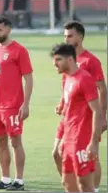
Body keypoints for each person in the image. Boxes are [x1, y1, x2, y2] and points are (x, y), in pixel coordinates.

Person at [0, 16, 33, 191]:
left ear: (8, 30)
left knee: (16, 143)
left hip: (13, 106)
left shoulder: (19, 51)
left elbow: (29, 79)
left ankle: (19, 181)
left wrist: (25, 104)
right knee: (0, 143)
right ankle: (5, 179)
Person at [52, 21, 107, 192]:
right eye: (65, 36)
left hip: (84, 120)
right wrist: (62, 103)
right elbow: (66, 84)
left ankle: (94, 188)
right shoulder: (68, 64)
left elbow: (102, 89)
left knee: (92, 157)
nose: (66, 39)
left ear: (80, 37)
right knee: (56, 153)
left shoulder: (90, 62)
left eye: (70, 36)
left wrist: (103, 117)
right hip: (68, 118)